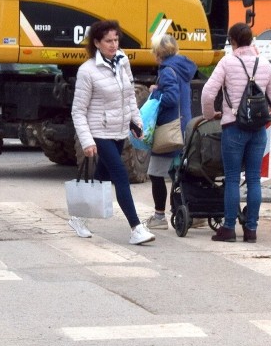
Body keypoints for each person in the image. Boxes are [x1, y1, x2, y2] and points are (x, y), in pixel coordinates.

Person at [70, 19, 156, 245]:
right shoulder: (87, 71)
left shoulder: (122, 61)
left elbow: (128, 95)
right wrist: (87, 141)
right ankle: (136, 228)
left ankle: (78, 217)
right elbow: (78, 111)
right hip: (99, 131)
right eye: (108, 41)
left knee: (102, 176)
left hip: (119, 130)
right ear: (97, 43)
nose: (113, 44)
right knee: (120, 174)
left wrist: (136, 123)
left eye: (116, 39)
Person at [201, 22, 271, 243]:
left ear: (232, 41)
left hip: (233, 127)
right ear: (251, 39)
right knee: (254, 178)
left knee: (233, 178)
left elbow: (208, 93)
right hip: (258, 129)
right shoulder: (264, 63)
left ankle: (228, 228)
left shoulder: (227, 63)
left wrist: (210, 114)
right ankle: (251, 229)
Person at [144, 34, 197, 230]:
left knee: (155, 173)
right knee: (179, 173)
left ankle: (159, 217)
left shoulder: (167, 70)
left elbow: (171, 98)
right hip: (185, 126)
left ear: (158, 53)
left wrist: (155, 92)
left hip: (169, 128)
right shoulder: (183, 68)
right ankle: (188, 210)